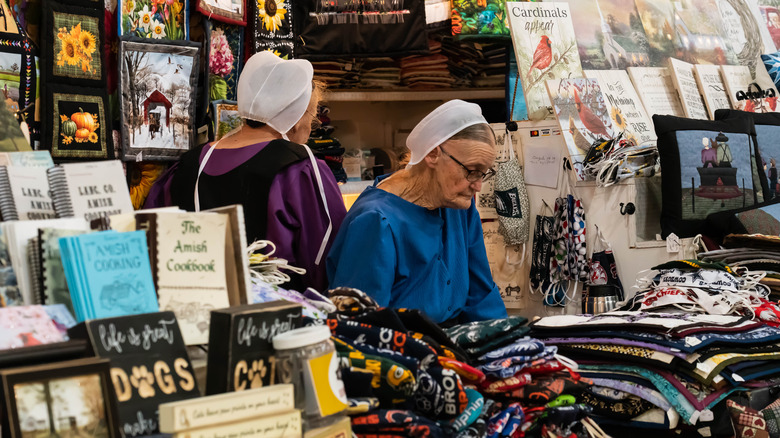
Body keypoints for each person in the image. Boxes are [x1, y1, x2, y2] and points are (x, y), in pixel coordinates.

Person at [145, 52, 347, 292]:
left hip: (192, 314)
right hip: (279, 317)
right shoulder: (301, 170)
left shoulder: (187, 166)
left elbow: (150, 247)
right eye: (312, 117)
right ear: (294, 117)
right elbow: (332, 262)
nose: (310, 128)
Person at [326, 100, 507, 324]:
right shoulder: (376, 221)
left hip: (455, 346)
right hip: (401, 351)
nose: (477, 185)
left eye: (483, 173)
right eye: (472, 171)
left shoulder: (458, 207)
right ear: (432, 154)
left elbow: (482, 297)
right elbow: (363, 326)